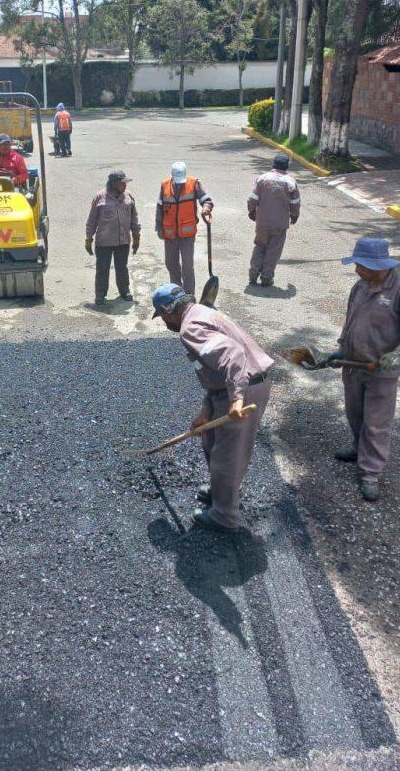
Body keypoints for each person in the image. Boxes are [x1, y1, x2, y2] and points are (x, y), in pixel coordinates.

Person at [152, 283, 274, 533]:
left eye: (162, 315)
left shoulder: (190, 328)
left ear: (167, 310)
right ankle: (222, 491)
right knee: (210, 439)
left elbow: (234, 355)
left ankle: (225, 516)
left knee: (226, 455)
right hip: (232, 387)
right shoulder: (202, 311)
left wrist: (237, 398)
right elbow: (214, 371)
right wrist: (206, 410)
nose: (164, 322)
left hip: (244, 387)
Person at [321, 237, 400, 502]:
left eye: (362, 265)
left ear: (380, 265)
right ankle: (359, 449)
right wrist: (342, 351)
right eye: (357, 264)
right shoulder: (360, 287)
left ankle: (370, 473)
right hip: (354, 366)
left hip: (382, 371)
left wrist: (399, 354)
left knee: (376, 424)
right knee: (354, 414)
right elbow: (351, 323)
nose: (357, 269)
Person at [156, 161, 213, 296]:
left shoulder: (193, 184)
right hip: (170, 233)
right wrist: (159, 228)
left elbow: (207, 200)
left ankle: (189, 294)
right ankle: (177, 292)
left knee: (187, 265)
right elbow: (159, 207)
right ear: (172, 176)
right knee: (171, 263)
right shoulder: (164, 185)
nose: (179, 183)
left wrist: (206, 208)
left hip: (187, 234)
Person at [85, 171, 141, 305]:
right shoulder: (100, 197)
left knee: (122, 267)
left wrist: (136, 236)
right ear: (114, 184)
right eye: (123, 183)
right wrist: (88, 238)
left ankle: (124, 291)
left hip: (123, 240)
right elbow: (92, 220)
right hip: (104, 242)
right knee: (102, 268)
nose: (125, 185)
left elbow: (134, 217)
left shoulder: (128, 196)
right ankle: (100, 295)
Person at [247, 153, 300, 287]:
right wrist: (294, 215)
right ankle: (266, 277)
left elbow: (253, 198)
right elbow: (295, 202)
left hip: (263, 221)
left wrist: (252, 210)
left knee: (260, 245)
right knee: (273, 250)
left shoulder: (262, 178)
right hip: (280, 223)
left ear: (273, 165)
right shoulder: (290, 182)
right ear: (286, 166)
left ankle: (253, 274)